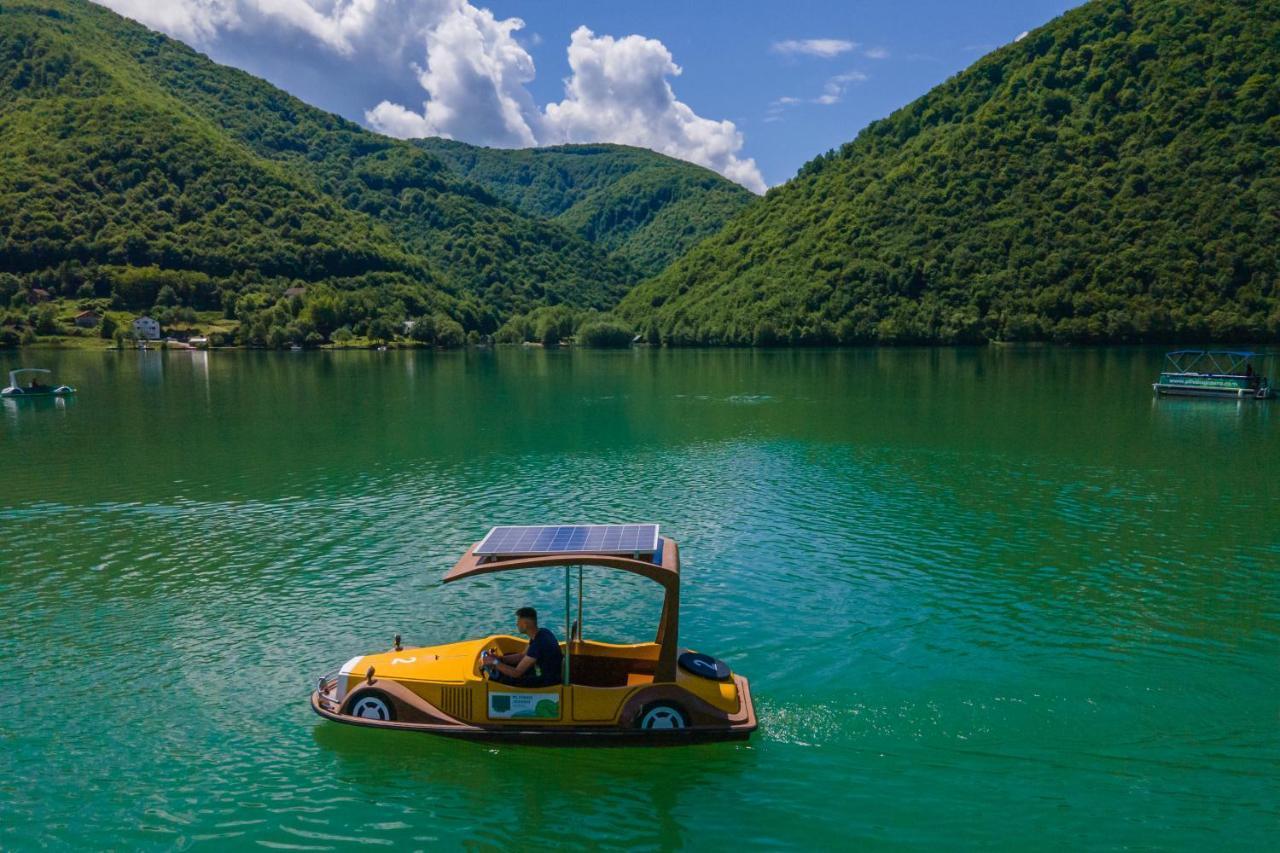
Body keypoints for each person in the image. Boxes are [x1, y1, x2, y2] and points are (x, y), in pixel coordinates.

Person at [481, 607, 563, 687]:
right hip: (546, 671)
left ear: (525, 625)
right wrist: (500, 659)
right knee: (507, 657)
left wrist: (495, 663)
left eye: (518, 621)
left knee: (499, 679)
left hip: (547, 682)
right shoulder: (542, 632)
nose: (516, 624)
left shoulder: (538, 644)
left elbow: (516, 673)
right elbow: (523, 656)